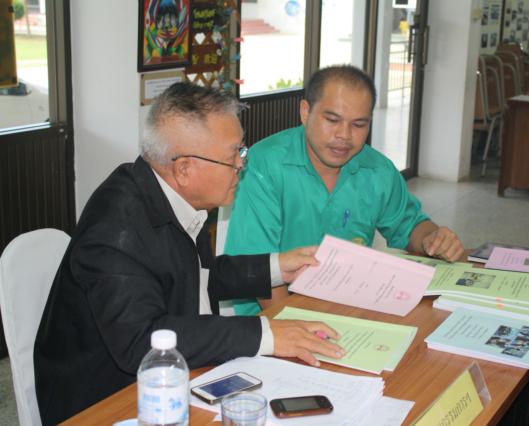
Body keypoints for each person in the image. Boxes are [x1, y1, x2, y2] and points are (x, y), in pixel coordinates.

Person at [33, 82, 344, 425]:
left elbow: (195, 274)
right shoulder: (115, 229)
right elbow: (143, 341)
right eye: (233, 155)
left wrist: (276, 267)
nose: (242, 165)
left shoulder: (174, 196)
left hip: (178, 374)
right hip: (103, 401)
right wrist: (265, 334)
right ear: (183, 169)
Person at [225, 65, 465, 313]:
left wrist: (432, 240)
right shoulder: (265, 165)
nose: (344, 135)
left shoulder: (377, 169)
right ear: (305, 112)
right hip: (273, 314)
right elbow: (258, 267)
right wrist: (297, 324)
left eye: (359, 125)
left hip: (350, 305)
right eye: (332, 120)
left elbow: (410, 225)